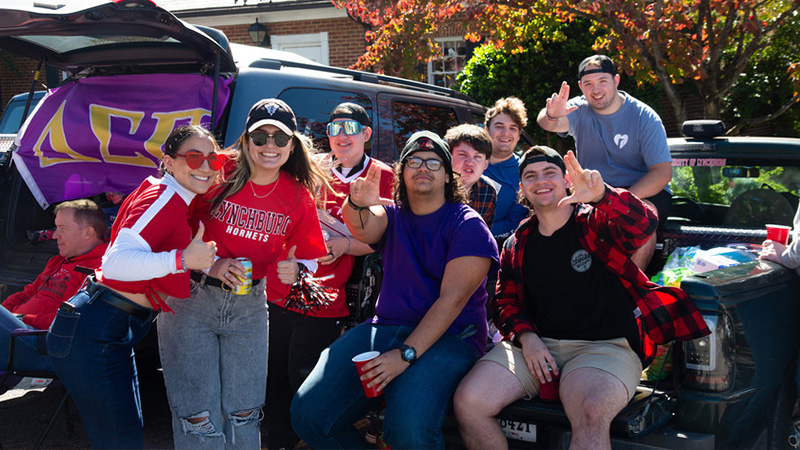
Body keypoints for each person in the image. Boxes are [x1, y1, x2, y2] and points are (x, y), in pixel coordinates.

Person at [453, 146, 709, 450]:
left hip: (605, 348)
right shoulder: (516, 241)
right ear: (522, 188)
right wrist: (527, 337)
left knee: (590, 411)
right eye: (531, 175)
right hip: (534, 348)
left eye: (550, 173)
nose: (541, 180)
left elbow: (644, 224)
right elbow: (504, 301)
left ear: (566, 181)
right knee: (469, 402)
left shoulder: (596, 223)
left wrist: (604, 195)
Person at [291, 130, 499, 449]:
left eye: (433, 161)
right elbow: (364, 224)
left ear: (447, 175)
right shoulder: (393, 215)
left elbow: (453, 300)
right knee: (309, 415)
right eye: (413, 160)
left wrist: (405, 354)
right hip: (385, 327)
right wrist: (356, 203)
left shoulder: (468, 225)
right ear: (401, 173)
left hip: (451, 337)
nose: (423, 167)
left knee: (407, 428)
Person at [158, 99, 329, 450]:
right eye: (260, 136)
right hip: (191, 299)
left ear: (292, 145)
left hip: (249, 307)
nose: (270, 146)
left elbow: (311, 259)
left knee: (244, 412)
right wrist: (213, 264)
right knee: (197, 413)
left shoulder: (297, 195)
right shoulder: (216, 173)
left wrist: (295, 269)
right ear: (246, 140)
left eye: (280, 139)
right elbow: (172, 229)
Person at [47, 125, 221, 449]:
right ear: (168, 161)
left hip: (108, 326)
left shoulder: (175, 196)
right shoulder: (165, 198)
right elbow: (116, 263)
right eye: (194, 158)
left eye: (214, 158)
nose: (207, 166)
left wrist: (212, 264)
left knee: (123, 438)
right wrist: (182, 260)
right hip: (96, 327)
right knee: (121, 441)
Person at [264, 101, 394, 450]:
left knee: (304, 373)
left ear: (366, 134)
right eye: (334, 129)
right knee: (273, 371)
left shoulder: (383, 175)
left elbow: (385, 239)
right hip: (283, 282)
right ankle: (279, 440)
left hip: (339, 295)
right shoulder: (314, 168)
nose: (341, 137)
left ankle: (312, 435)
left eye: (350, 129)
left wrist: (343, 244)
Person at [537, 54, 673, 270]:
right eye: (589, 84)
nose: (596, 89)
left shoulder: (645, 117)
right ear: (581, 87)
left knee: (641, 221)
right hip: (593, 192)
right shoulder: (579, 109)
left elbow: (662, 173)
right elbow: (548, 123)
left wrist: (617, 201)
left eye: (602, 81)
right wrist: (551, 115)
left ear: (616, 81)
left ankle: (632, 296)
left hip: (643, 191)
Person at [1, 199, 107, 385]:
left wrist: (20, 318)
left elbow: (71, 320)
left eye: (62, 228)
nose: (54, 235)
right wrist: (8, 313)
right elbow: (28, 292)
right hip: (21, 331)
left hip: (44, 342)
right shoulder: (58, 261)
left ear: (88, 233)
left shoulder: (99, 270)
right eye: (55, 228)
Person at [483, 97, 530, 245]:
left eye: (513, 128)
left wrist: (473, 232)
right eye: (499, 126)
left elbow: (514, 223)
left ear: (518, 135)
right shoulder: (469, 162)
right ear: (486, 129)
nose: (506, 133)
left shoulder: (524, 172)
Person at [445, 124, 499, 228]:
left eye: (477, 156)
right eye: (462, 155)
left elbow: (482, 236)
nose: (469, 162)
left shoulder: (488, 191)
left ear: (486, 164)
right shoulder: (434, 187)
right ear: (448, 157)